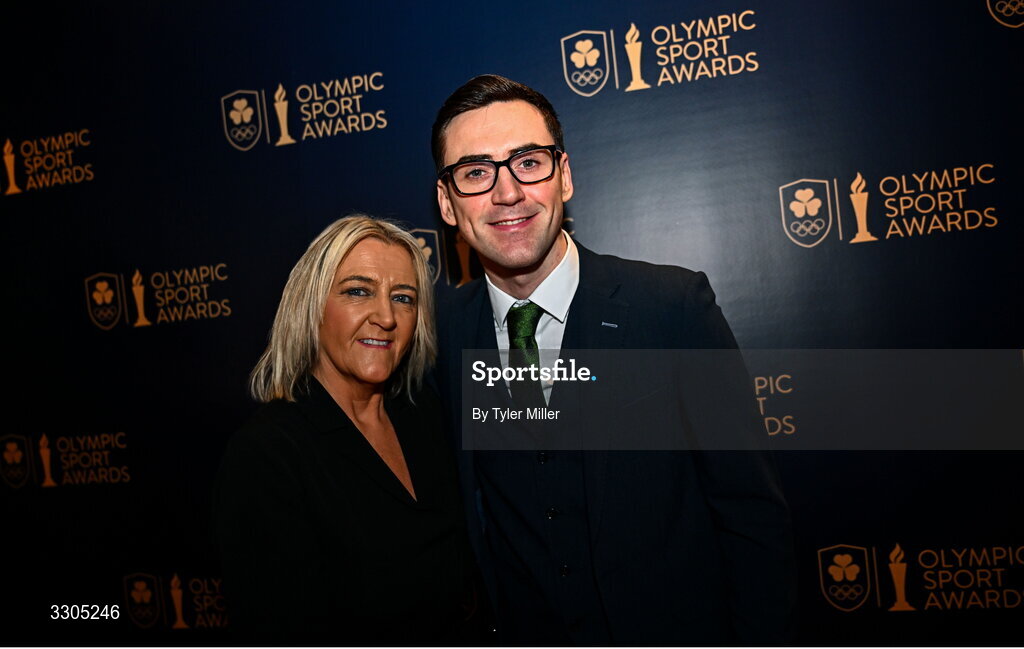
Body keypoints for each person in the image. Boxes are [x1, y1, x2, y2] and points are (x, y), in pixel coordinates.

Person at [431, 75, 797, 645]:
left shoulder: (671, 309)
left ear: (565, 176)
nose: (507, 193)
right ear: (447, 203)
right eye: (476, 172)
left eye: (528, 161)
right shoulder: (441, 334)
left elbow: (751, 515)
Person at [213, 215, 485, 645]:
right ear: (312, 306)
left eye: (404, 298)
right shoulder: (268, 454)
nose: (386, 317)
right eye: (358, 292)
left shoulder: (425, 412)